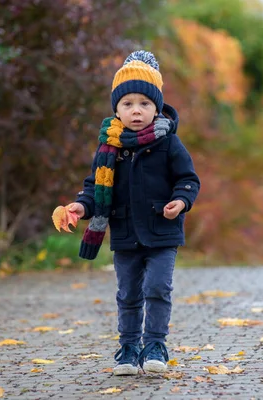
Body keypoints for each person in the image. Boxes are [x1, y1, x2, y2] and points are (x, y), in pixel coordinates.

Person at [63, 50, 200, 376]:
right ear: (117, 109)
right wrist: (80, 206)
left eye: (144, 103)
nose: (136, 110)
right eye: (128, 104)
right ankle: (128, 347)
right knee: (128, 293)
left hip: (162, 231)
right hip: (125, 232)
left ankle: (155, 344)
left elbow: (188, 179)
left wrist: (180, 201)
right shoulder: (109, 148)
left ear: (156, 107)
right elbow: (95, 187)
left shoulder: (169, 143)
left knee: (157, 288)